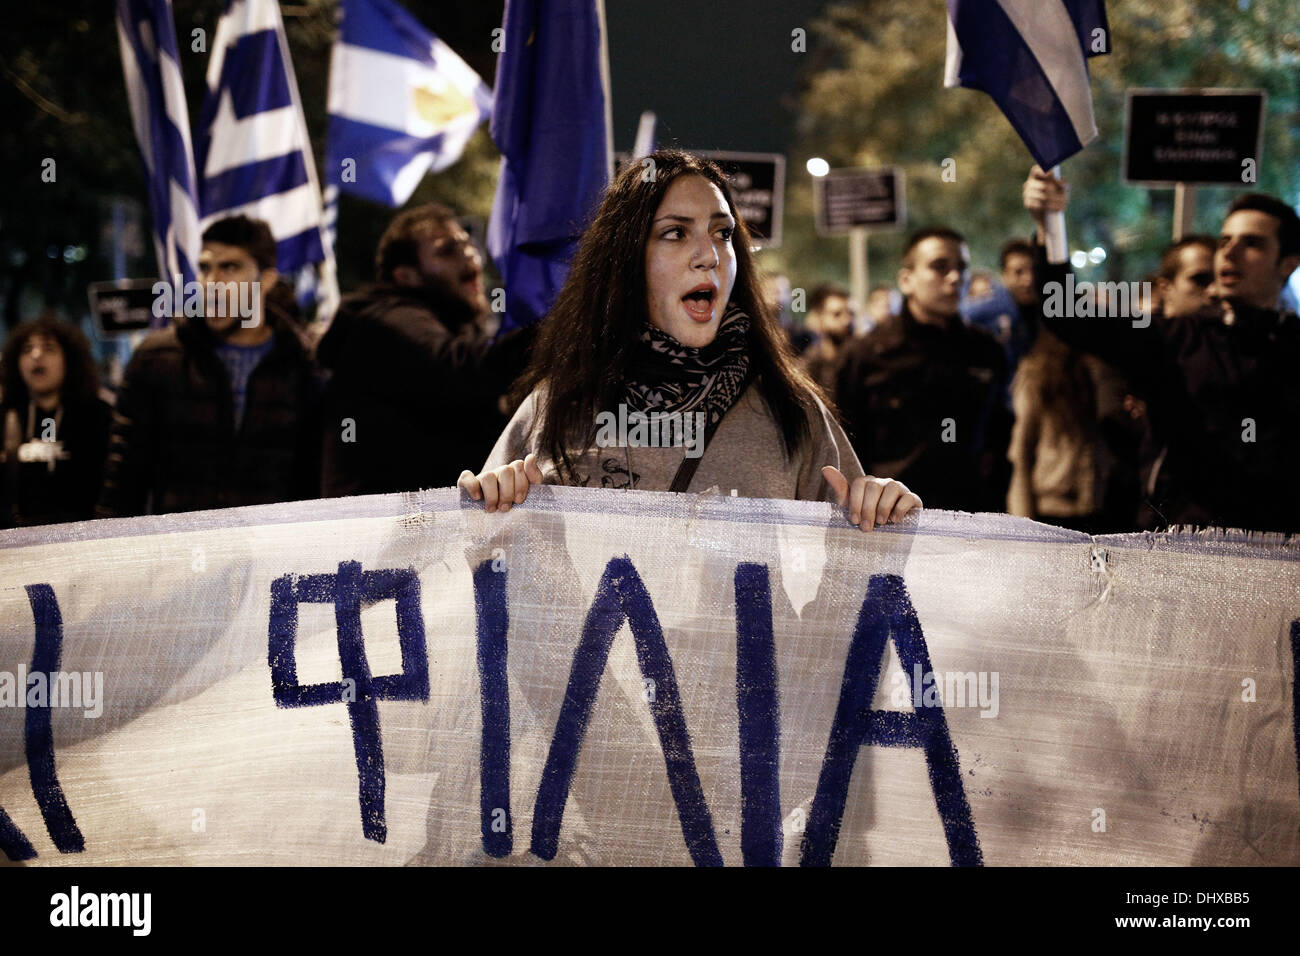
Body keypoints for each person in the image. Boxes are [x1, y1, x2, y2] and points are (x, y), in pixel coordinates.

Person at [457, 150, 920, 531]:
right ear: (625, 261)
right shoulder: (555, 406)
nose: (709, 256)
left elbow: (856, 594)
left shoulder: (791, 408)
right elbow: (490, 586)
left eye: (723, 233)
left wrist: (881, 516)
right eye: (675, 233)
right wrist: (492, 514)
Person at [1027, 167, 1300, 533]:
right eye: (1224, 240)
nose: (1230, 252)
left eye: (1252, 243)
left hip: (1279, 551)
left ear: (1288, 263)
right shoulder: (1173, 337)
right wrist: (1050, 228)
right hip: (1179, 544)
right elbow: (1067, 313)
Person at [97, 215, 321, 517]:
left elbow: (315, 481)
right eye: (205, 268)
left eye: (229, 267)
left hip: (274, 554)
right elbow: (123, 481)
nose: (212, 282)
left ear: (265, 281)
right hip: (177, 555)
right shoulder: (156, 358)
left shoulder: (303, 364)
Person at [317, 203, 532, 497]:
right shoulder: (385, 320)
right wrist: (557, 327)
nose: (470, 254)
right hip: (378, 528)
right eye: (448, 250)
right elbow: (462, 370)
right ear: (407, 276)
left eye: (467, 243)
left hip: (420, 523)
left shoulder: (457, 325)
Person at [834, 227, 1010, 513]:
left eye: (961, 268)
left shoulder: (986, 351)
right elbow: (844, 449)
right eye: (939, 267)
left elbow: (1000, 440)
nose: (955, 278)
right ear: (906, 280)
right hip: (889, 524)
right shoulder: (866, 355)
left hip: (973, 523)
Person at [0, 312, 111, 526]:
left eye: (48, 348)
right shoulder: (5, 418)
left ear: (69, 359)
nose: (36, 355)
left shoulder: (97, 416)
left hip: (82, 540)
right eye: (27, 349)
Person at [800, 282, 853, 395]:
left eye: (850, 313)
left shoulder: (858, 357)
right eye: (836, 314)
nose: (846, 320)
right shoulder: (811, 362)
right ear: (820, 317)